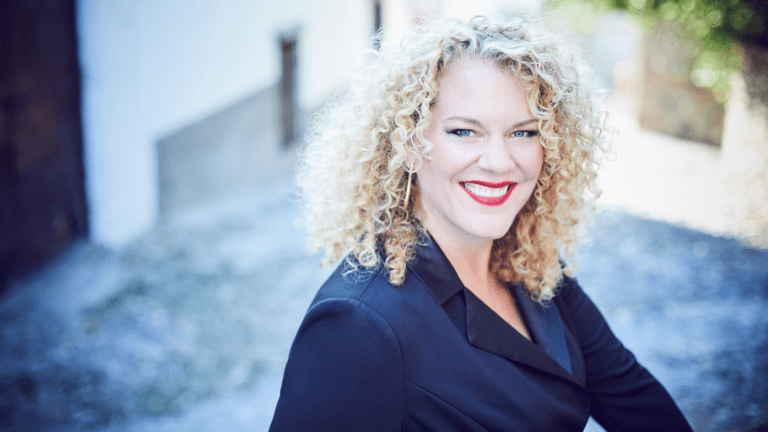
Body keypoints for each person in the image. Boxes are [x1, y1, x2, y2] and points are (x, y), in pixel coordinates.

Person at [269, 15, 692, 431]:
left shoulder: (536, 268)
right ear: (409, 144)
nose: (498, 162)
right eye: (464, 132)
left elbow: (634, 398)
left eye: (523, 133)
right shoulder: (360, 322)